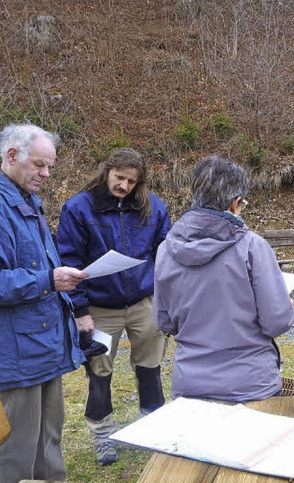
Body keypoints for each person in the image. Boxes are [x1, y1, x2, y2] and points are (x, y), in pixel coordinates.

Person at [0, 124, 88, 483]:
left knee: (48, 448)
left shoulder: (26, 200)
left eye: (49, 167)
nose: (46, 174)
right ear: (12, 156)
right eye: (39, 165)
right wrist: (48, 280)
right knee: (16, 456)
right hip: (15, 353)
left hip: (44, 346)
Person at [57, 147, 171, 466]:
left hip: (143, 301)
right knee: (99, 371)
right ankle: (103, 433)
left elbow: (168, 252)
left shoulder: (152, 207)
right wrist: (79, 311)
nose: (124, 186)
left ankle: (153, 423)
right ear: (106, 171)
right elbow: (69, 260)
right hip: (98, 306)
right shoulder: (79, 208)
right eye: (119, 177)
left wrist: (166, 294)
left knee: (150, 366)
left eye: (131, 181)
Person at [153, 155, 294, 402]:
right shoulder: (253, 247)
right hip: (250, 384)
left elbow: (164, 321)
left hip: (190, 383)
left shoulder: (166, 249)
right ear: (235, 203)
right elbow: (277, 321)